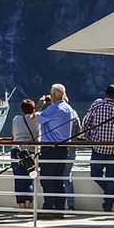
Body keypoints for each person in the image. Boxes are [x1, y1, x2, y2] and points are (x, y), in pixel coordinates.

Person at [37, 84, 80, 217]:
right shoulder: (69, 109)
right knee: (58, 180)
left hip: (49, 149)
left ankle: (48, 209)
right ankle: (59, 210)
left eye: (51, 93)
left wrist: (39, 106)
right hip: (63, 150)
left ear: (54, 94)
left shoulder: (52, 109)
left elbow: (34, 119)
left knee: (47, 180)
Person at [84, 85, 114, 212]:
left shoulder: (97, 104)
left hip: (99, 147)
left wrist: (87, 137)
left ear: (106, 94)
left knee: (95, 174)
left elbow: (86, 121)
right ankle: (109, 204)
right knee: (111, 177)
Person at [12, 98, 41, 211]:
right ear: (33, 110)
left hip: (17, 151)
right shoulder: (37, 120)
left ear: (22, 110)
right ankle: (28, 207)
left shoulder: (16, 119)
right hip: (31, 152)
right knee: (29, 179)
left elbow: (14, 134)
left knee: (19, 179)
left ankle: (22, 208)